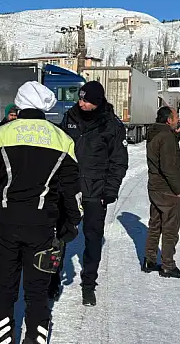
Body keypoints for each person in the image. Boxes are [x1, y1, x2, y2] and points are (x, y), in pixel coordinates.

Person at [0, 81, 81, 344]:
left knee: (5, 288)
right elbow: (72, 190)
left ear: (20, 103)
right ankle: (35, 338)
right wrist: (71, 223)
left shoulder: (1, 134)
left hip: (6, 223)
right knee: (37, 291)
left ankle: (3, 337)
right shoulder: (62, 139)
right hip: (42, 226)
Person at [55, 80, 128, 306]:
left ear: (97, 102)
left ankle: (88, 284)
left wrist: (110, 190)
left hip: (96, 193)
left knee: (93, 239)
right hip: (68, 189)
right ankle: (52, 280)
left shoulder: (112, 125)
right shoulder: (69, 118)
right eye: (80, 98)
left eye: (86, 101)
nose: (81, 103)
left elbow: (118, 162)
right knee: (60, 236)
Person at [143, 106, 180, 279]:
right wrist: (178, 189)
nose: (179, 119)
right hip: (167, 190)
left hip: (155, 187)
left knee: (155, 224)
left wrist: (176, 135)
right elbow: (168, 166)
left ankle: (149, 260)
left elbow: (163, 150)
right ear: (169, 120)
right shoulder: (166, 137)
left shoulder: (155, 132)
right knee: (170, 228)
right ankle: (168, 266)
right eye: (176, 117)